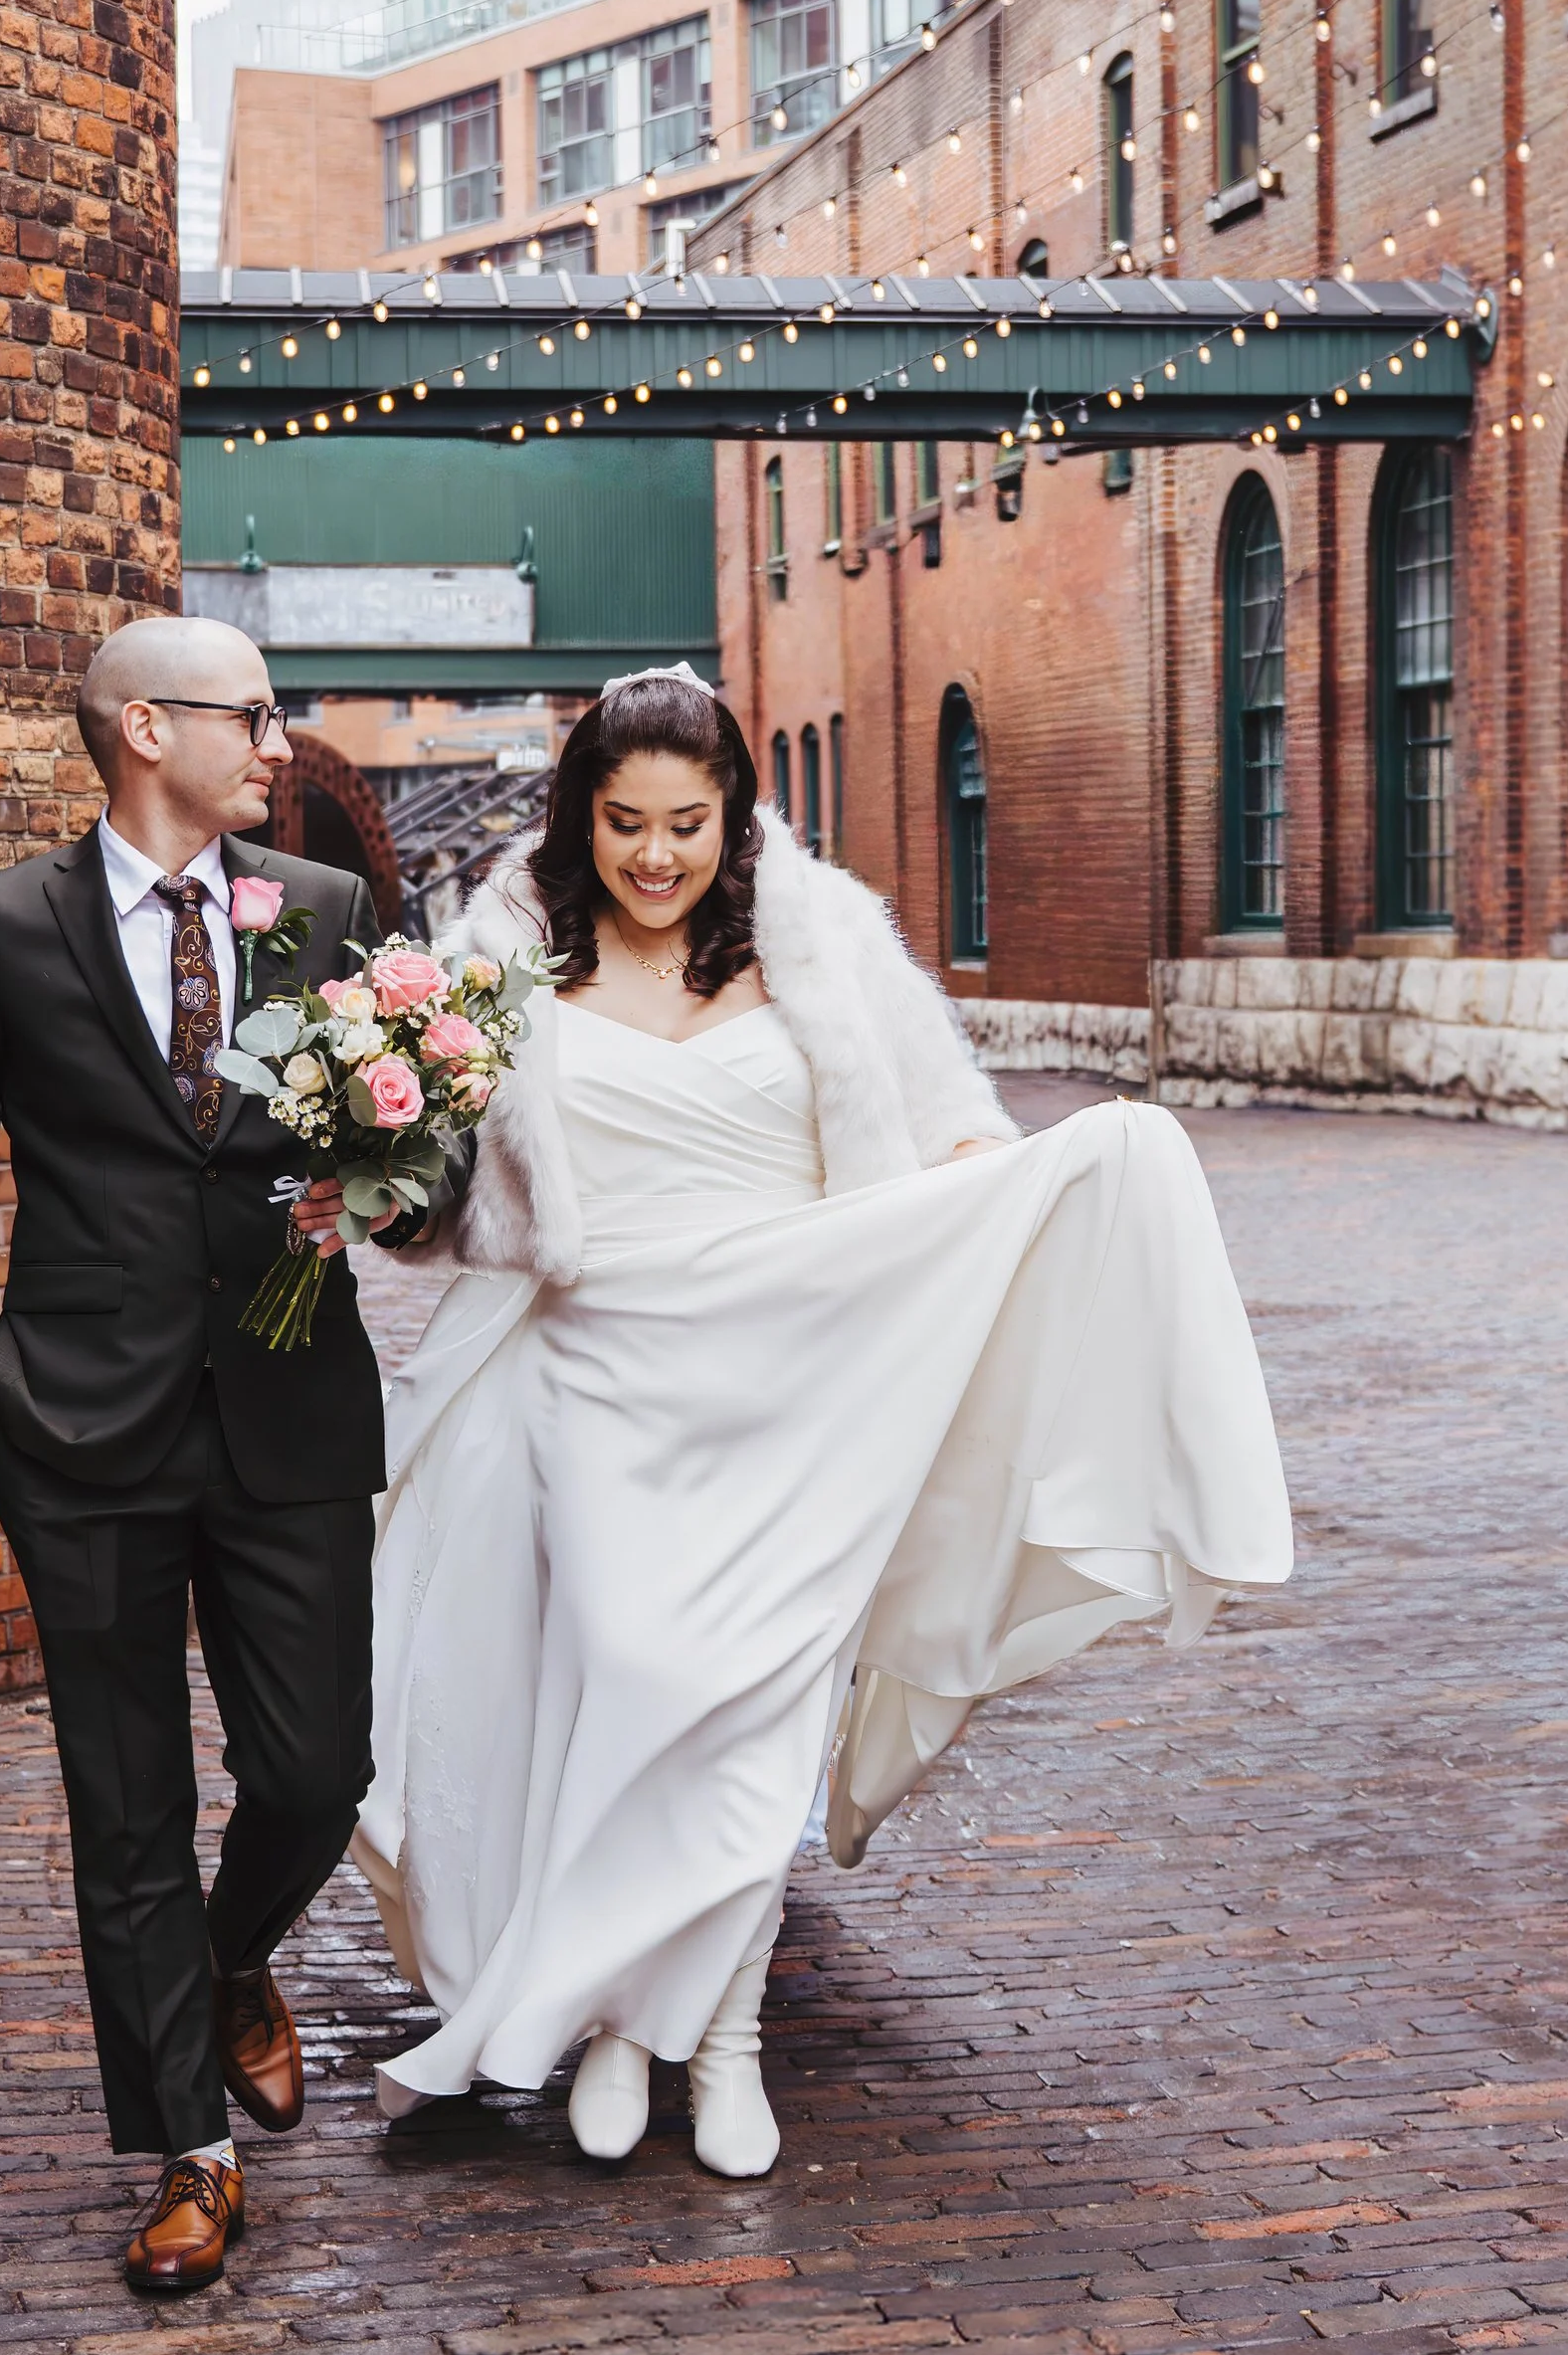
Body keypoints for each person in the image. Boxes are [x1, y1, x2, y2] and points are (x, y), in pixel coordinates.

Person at [325, 665, 1292, 2179]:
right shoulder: (498, 952)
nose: (658, 857)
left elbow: (938, 1115)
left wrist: (1012, 1182)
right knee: (632, 1674)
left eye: (689, 824)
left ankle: (717, 2040)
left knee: (764, 1696)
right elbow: (450, 1207)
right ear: (583, 815)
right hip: (601, 1363)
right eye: (628, 823)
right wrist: (376, 1173)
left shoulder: (822, 937)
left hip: (801, 1367)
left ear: (736, 816)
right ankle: (616, 2024)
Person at [0, 618, 393, 2294]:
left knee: (318, 1769)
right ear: (144, 729)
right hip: (78, 1430)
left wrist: (373, 1193)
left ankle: (235, 1950)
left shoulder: (319, 917)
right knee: (127, 1804)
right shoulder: (1, 928)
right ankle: (192, 2147)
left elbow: (406, 1143)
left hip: (289, 1409)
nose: (277, 741)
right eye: (252, 714)